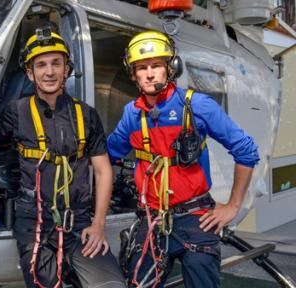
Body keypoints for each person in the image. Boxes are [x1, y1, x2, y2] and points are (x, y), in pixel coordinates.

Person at [0, 27, 125, 288]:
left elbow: (102, 170)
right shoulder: (16, 111)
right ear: (30, 73)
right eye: (41, 65)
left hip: (80, 222)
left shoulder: (86, 115)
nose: (50, 71)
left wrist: (98, 225)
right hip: (34, 223)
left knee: (111, 284)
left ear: (67, 68)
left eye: (56, 63)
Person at [107, 30, 259, 288]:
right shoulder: (131, 115)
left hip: (196, 217)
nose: (150, 73)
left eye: (156, 65)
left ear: (171, 68)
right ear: (133, 74)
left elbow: (246, 151)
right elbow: (105, 155)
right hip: (151, 220)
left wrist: (233, 205)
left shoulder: (198, 106)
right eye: (142, 68)